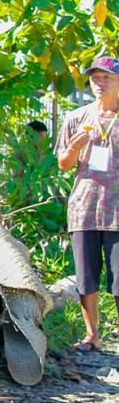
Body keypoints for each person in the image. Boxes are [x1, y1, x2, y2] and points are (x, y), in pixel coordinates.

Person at [55, 54, 119, 353]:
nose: (99, 83)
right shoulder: (77, 118)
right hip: (85, 208)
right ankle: (92, 335)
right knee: (86, 277)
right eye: (95, 78)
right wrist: (74, 147)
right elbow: (64, 165)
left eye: (106, 78)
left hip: (117, 210)